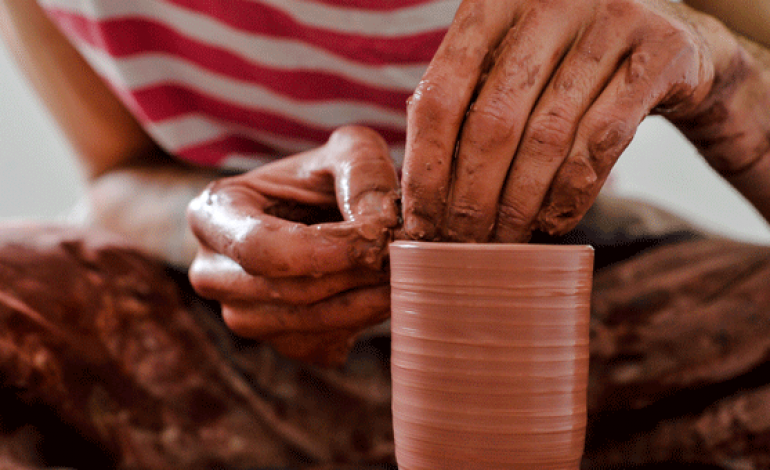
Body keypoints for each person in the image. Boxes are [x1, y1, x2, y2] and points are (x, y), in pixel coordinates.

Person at [0, 0, 769, 468]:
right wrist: (220, 229)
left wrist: (727, 79)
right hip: (227, 337)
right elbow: (116, 174)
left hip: (585, 326)